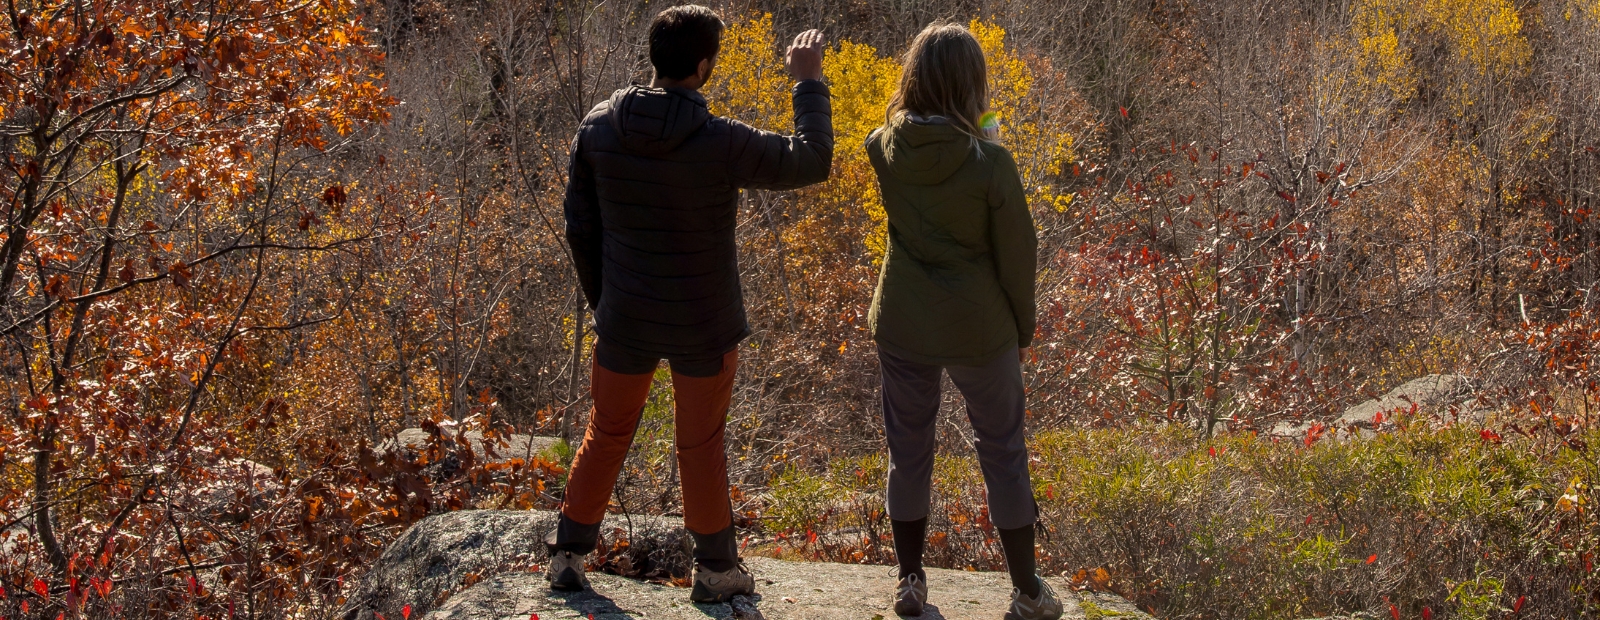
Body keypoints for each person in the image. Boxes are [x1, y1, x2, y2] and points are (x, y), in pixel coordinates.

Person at [550, 4, 832, 604]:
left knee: (606, 433)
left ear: (655, 58)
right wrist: (808, 81)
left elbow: (580, 226)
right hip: (704, 324)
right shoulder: (720, 141)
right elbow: (812, 160)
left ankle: (569, 557)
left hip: (625, 318)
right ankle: (716, 572)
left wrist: (607, 300)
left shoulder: (599, 127)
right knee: (699, 443)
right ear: (704, 67)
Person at [864, 22, 1062, 620]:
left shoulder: (881, 147)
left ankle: (909, 581)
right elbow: (1017, 253)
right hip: (980, 326)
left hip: (903, 318)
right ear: (972, 85)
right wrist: (1020, 329)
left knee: (909, 448)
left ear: (914, 77)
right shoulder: (990, 163)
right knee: (1002, 449)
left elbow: (918, 158)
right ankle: (1028, 593)